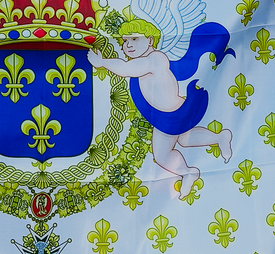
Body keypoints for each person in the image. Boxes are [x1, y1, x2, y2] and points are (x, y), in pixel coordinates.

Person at [88, 16, 233, 200]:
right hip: (166, 115)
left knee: (163, 155)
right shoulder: (147, 60)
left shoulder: (154, 59)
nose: (128, 45)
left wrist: (102, 63)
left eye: (134, 39)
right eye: (125, 41)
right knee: (185, 140)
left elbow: (125, 68)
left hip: (171, 115)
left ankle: (189, 172)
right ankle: (220, 138)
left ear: (150, 40)